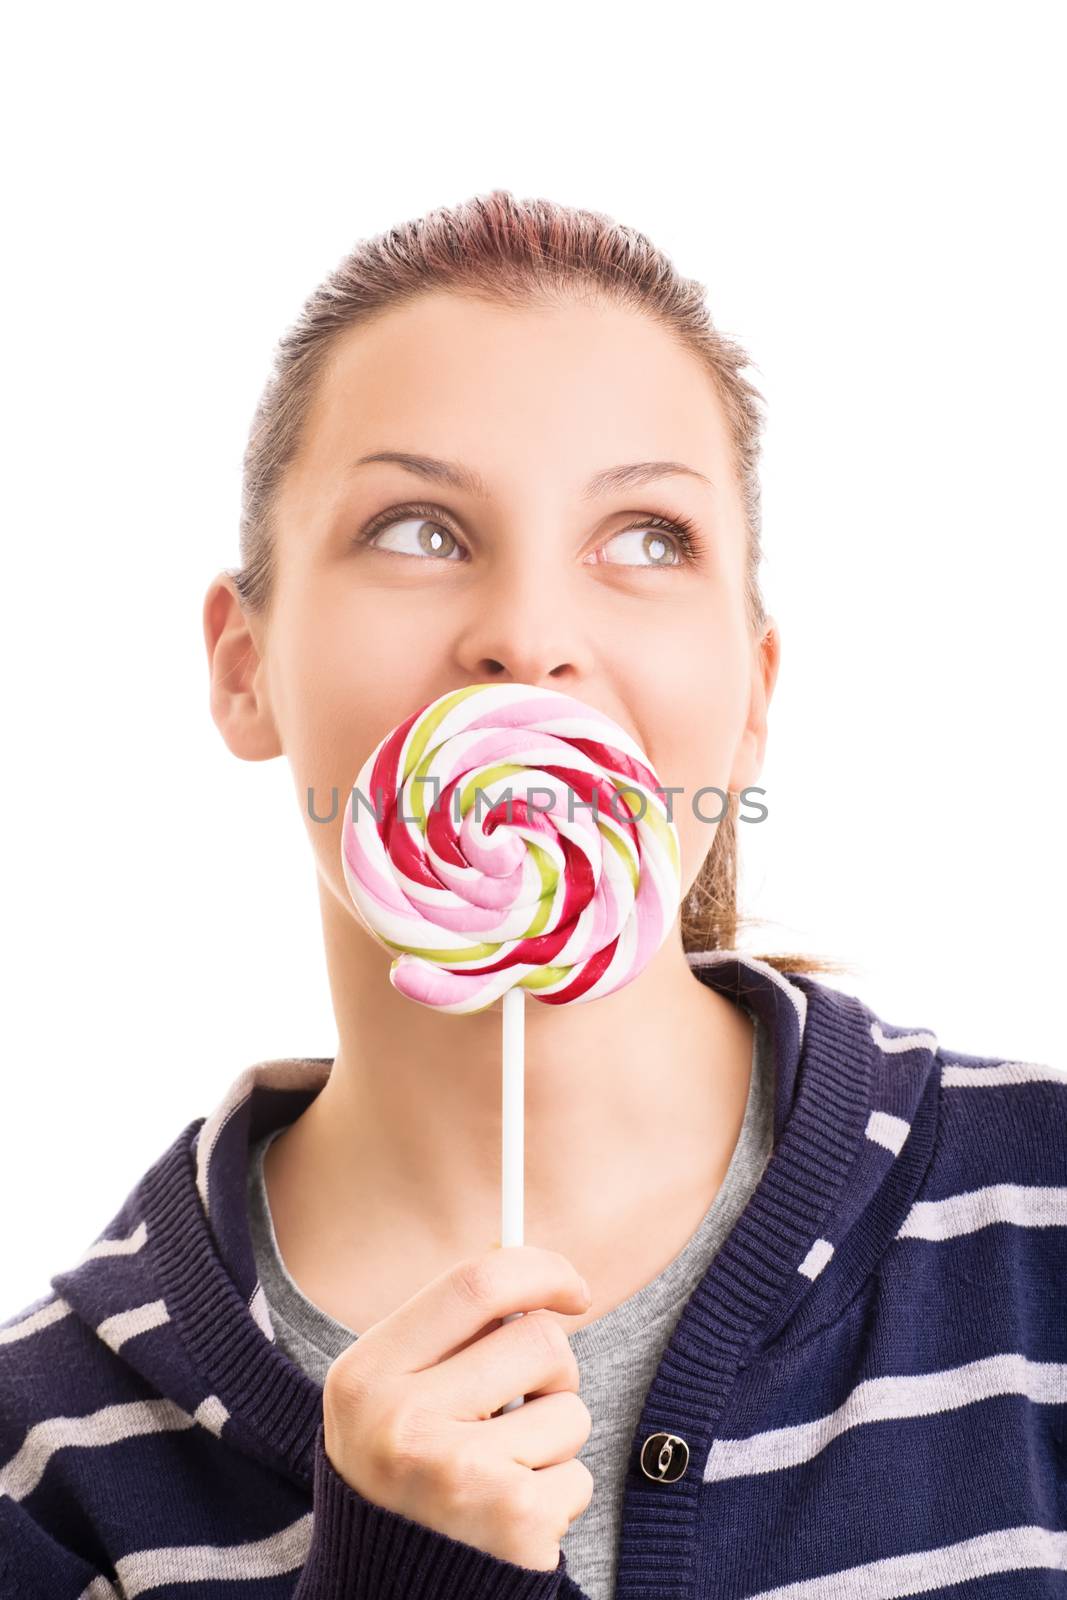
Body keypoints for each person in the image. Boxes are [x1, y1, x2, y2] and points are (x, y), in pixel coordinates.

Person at [1, 190, 1064, 1600]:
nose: (529, 634)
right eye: (419, 529)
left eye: (645, 537)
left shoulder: (1039, 1220)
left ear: (753, 698)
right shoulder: (45, 1457)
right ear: (243, 662)